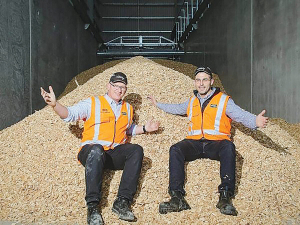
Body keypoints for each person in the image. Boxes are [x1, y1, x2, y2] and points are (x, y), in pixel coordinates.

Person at [41, 72, 160, 225]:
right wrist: (55, 105)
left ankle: (122, 202)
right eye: (116, 86)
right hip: (91, 152)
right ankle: (93, 207)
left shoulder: (128, 108)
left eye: (123, 87)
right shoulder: (93, 103)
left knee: (136, 150)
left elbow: (127, 129)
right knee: (96, 149)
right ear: (108, 86)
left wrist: (144, 128)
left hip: (112, 153)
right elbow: (70, 115)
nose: (119, 90)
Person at [148, 66, 268, 216]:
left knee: (229, 147)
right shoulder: (192, 100)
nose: (201, 83)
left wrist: (254, 121)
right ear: (194, 82)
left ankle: (225, 197)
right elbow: (177, 108)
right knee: (176, 149)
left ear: (211, 81)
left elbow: (240, 115)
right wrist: (157, 104)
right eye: (198, 80)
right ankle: (177, 197)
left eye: (205, 79)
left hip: (216, 143)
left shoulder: (223, 100)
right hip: (194, 143)